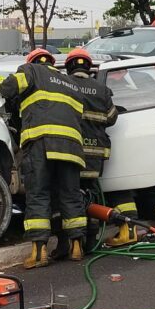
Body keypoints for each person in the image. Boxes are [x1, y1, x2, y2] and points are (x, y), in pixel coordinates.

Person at [0, 48, 87, 269]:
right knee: (71, 195)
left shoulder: (31, 71)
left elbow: (10, 87)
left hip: (41, 144)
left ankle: (38, 253)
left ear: (32, 62)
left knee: (38, 195)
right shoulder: (70, 83)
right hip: (71, 147)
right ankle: (77, 246)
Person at [50, 47, 117, 262]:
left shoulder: (65, 86)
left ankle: (63, 244)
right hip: (95, 153)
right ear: (89, 67)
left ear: (69, 66)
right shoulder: (102, 89)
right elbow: (112, 118)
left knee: (65, 197)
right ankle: (89, 242)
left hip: (71, 152)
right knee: (91, 196)